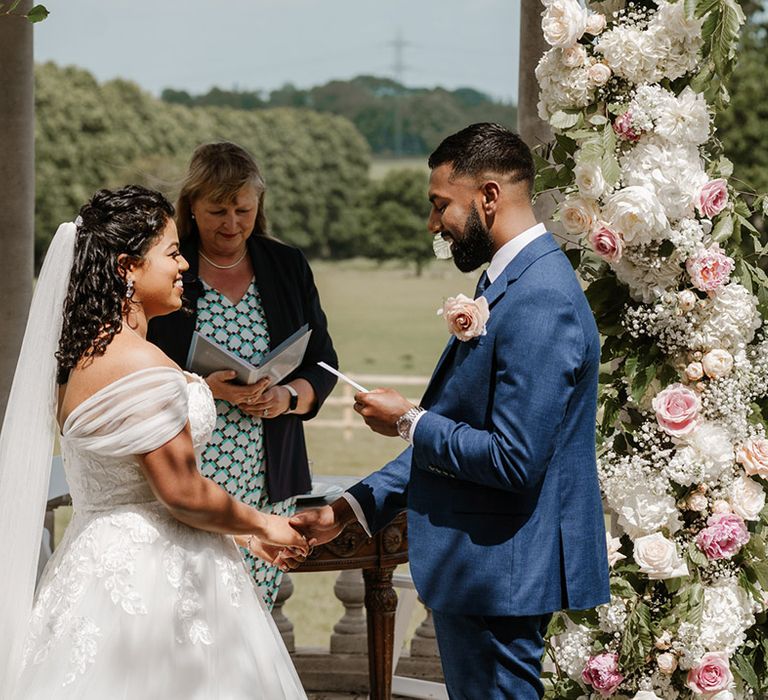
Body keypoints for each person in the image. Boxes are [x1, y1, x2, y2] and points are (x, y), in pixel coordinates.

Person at [289, 124, 610, 699]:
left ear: (488, 195)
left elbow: (514, 459)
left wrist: (408, 421)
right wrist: (350, 509)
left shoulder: (539, 298)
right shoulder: (510, 282)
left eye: (441, 205)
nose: (433, 224)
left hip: (501, 569)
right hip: (487, 567)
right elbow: (461, 426)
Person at [0, 186, 308, 699]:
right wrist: (264, 525)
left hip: (95, 560)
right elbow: (181, 492)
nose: (185, 264)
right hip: (158, 578)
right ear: (128, 267)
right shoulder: (138, 363)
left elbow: (128, 470)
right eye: (171, 252)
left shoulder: (81, 358)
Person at [147, 142, 338, 609]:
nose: (231, 224)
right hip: (188, 470)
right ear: (191, 207)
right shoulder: (169, 269)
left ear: (259, 206)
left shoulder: (287, 265)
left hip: (268, 476)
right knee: (186, 609)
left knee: (250, 612)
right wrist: (202, 390)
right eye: (217, 210)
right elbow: (139, 367)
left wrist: (288, 397)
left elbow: (323, 361)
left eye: (242, 209)